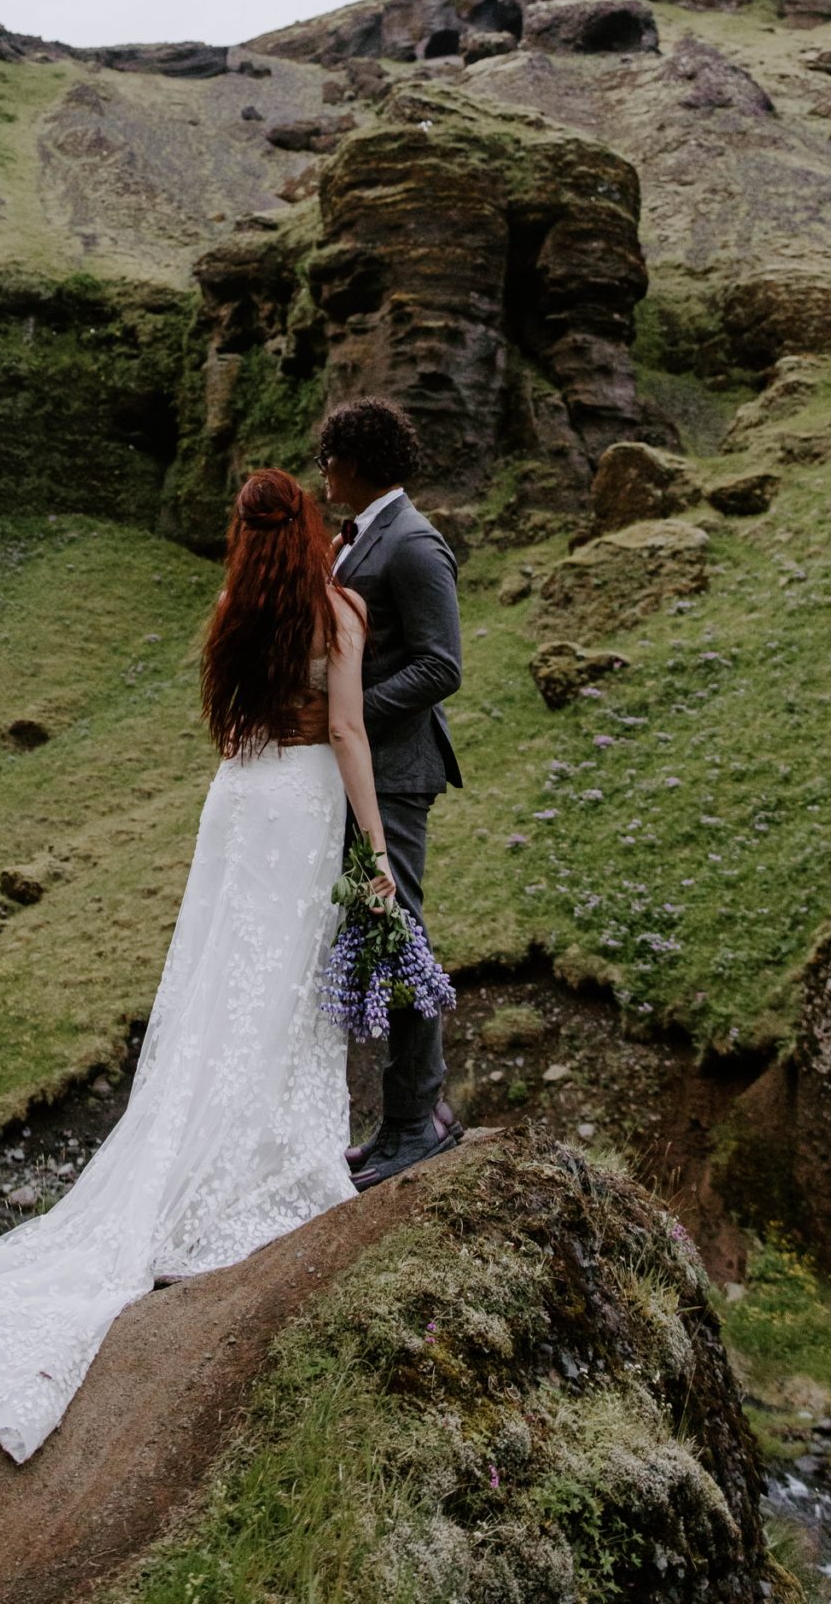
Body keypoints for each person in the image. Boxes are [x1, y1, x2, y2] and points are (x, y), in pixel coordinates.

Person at [0, 466, 394, 1463]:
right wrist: (377, 850)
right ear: (306, 529)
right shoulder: (337, 608)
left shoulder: (232, 607)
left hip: (238, 797)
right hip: (299, 802)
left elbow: (227, 725)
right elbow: (345, 726)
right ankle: (275, 1158)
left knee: (220, 980)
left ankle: (206, 1149)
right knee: (283, 984)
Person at [312, 397, 464, 1188]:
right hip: (368, 769)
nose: (321, 472)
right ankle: (401, 1119)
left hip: (398, 772)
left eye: (326, 458)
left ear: (351, 463)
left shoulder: (411, 544)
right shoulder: (364, 536)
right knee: (381, 930)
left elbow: (443, 666)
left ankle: (420, 1118)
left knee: (396, 929)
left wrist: (346, 714)